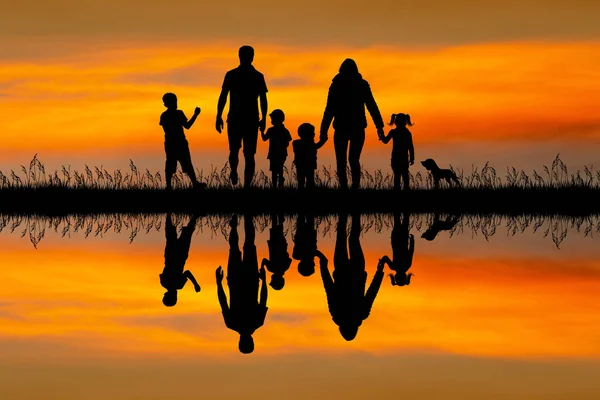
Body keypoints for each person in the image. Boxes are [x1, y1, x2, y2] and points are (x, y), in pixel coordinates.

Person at [319, 59, 385, 190]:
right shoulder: (361, 84)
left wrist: (323, 131)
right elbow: (372, 106)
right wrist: (379, 127)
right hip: (356, 127)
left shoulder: (337, 85)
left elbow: (329, 109)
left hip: (343, 127)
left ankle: (345, 187)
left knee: (342, 160)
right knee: (353, 160)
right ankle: (355, 187)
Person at [320, 213, 385, 341]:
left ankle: (355, 212)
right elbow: (329, 288)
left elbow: (372, 291)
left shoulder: (361, 314)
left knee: (351, 239)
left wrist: (380, 271)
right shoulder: (339, 314)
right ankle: (349, 211)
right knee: (344, 237)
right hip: (345, 270)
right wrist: (323, 268)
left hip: (352, 270)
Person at [216, 45, 269, 188]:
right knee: (246, 153)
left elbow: (223, 97)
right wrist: (218, 115)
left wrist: (218, 116)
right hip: (245, 119)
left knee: (239, 151)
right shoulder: (255, 76)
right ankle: (243, 182)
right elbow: (223, 97)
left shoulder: (234, 74)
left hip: (241, 119)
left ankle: (242, 180)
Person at [216, 214, 268, 354]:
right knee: (240, 246)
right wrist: (218, 284)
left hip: (245, 279)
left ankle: (246, 218)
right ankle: (243, 219)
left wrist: (263, 281)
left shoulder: (256, 322)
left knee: (245, 244)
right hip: (240, 279)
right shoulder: (232, 323)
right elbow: (223, 301)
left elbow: (263, 299)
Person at [159, 93, 206, 190]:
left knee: (173, 164)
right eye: (174, 101)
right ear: (167, 103)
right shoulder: (178, 114)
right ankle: (193, 184)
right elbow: (187, 126)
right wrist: (196, 115)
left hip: (171, 143)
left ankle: (170, 186)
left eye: (176, 101)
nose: (176, 103)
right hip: (179, 143)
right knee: (183, 164)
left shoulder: (164, 115)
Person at [160, 213, 201, 307]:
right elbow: (186, 272)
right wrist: (195, 284)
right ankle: (170, 214)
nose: (176, 296)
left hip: (178, 256)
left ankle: (170, 214)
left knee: (180, 234)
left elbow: (187, 272)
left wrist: (195, 284)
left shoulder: (177, 285)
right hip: (174, 255)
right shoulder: (165, 283)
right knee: (174, 234)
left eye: (174, 297)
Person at [380, 113, 415, 192]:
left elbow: (385, 141)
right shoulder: (407, 133)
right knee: (405, 175)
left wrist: (381, 136)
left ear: (396, 122)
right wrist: (412, 158)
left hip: (395, 157)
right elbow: (411, 147)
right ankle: (406, 190)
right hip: (404, 158)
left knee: (397, 175)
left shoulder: (393, 132)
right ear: (405, 122)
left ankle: (397, 190)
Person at [261, 109, 292, 189]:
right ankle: (278, 184)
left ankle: (277, 184)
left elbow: (264, 138)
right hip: (278, 153)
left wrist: (261, 132)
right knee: (277, 169)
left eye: (273, 119)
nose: (272, 120)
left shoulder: (271, 130)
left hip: (275, 153)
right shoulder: (284, 130)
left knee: (275, 170)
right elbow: (288, 141)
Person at [381, 212, 414, 287]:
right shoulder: (393, 267)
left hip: (403, 240)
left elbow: (411, 251)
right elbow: (385, 257)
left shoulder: (407, 265)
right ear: (396, 277)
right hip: (395, 240)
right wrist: (382, 263)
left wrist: (412, 241)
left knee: (405, 219)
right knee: (397, 218)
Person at [261, 213, 292, 290]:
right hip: (274, 245)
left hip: (281, 245)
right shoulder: (271, 268)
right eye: (272, 280)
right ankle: (275, 216)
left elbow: (289, 258)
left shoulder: (285, 267)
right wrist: (262, 268)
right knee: (275, 228)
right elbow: (264, 260)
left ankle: (279, 219)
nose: (271, 279)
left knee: (279, 230)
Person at [292, 123, 326, 189]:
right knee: (309, 181)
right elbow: (316, 146)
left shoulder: (296, 143)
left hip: (300, 165)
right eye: (312, 133)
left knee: (301, 181)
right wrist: (323, 141)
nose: (314, 134)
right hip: (309, 165)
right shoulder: (309, 143)